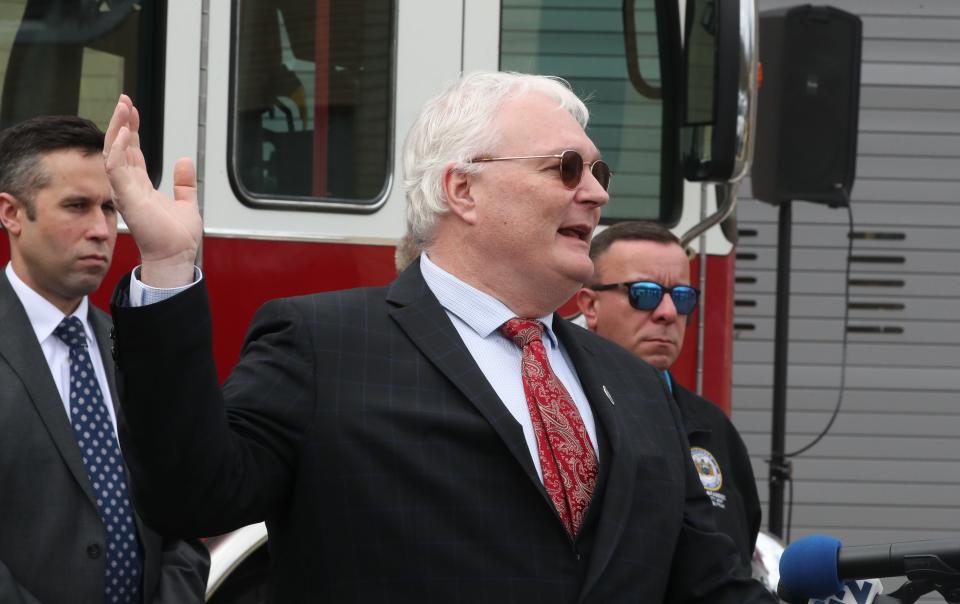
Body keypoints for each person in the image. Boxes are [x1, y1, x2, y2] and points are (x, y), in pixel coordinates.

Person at [103, 73, 775, 602]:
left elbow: (710, 585)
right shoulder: (323, 344)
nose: (596, 193)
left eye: (601, 173)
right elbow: (193, 494)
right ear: (464, 190)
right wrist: (167, 271)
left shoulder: (633, 387)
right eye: (567, 168)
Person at [0, 116, 209, 604]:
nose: (101, 230)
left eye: (110, 209)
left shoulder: (133, 345)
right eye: (77, 206)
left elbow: (185, 514)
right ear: (11, 213)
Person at [576, 220, 762, 575]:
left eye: (681, 297)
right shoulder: (557, 410)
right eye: (644, 293)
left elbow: (735, 551)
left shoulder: (710, 425)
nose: (667, 313)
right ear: (590, 305)